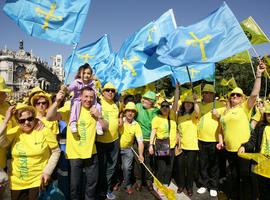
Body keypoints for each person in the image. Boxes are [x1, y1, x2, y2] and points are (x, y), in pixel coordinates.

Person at [47, 86, 108, 200]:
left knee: (91, 184)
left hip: (91, 153)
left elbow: (105, 127)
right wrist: (57, 102)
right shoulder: (72, 109)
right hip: (75, 154)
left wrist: (99, 116)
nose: (88, 100)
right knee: (75, 186)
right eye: (86, 96)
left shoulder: (95, 110)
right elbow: (49, 117)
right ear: (80, 96)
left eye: (91, 97)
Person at [217, 61, 266, 199]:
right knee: (233, 177)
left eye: (238, 95)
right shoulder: (225, 112)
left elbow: (255, 94)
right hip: (229, 150)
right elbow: (221, 129)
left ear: (242, 98)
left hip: (243, 149)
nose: (235, 97)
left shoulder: (245, 108)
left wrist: (258, 75)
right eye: (233, 95)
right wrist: (221, 142)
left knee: (245, 178)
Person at [0, 103, 60, 200]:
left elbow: (56, 151)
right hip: (16, 183)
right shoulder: (15, 131)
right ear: (17, 121)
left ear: (34, 118)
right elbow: (1, 142)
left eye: (30, 119)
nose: (27, 122)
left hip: (38, 181)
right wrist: (6, 119)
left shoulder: (44, 130)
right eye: (22, 120)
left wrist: (47, 172)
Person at [196, 84, 225, 197]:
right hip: (201, 139)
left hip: (215, 140)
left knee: (214, 164)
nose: (206, 94)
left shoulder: (220, 105)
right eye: (204, 93)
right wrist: (194, 101)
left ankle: (213, 186)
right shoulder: (199, 105)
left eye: (209, 92)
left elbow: (225, 122)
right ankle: (204, 184)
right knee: (202, 164)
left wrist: (218, 116)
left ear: (213, 94)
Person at [238, 103, 270, 200]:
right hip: (262, 163)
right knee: (262, 189)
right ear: (265, 115)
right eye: (269, 114)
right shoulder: (260, 127)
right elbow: (253, 141)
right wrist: (244, 146)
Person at [95, 82, 120, 200]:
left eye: (113, 90)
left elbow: (119, 116)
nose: (110, 92)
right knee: (100, 168)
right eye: (108, 90)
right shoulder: (98, 102)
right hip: (100, 141)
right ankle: (100, 190)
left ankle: (107, 189)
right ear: (103, 92)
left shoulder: (116, 104)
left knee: (111, 167)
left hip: (114, 141)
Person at [149, 100, 177, 197]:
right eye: (163, 106)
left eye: (167, 106)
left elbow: (176, 103)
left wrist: (177, 89)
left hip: (172, 146)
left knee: (169, 167)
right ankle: (159, 187)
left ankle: (165, 184)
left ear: (169, 108)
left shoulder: (172, 116)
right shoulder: (156, 118)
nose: (165, 108)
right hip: (162, 145)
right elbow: (153, 132)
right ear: (160, 108)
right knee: (161, 167)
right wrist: (151, 145)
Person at [66, 63, 103, 135]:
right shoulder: (76, 82)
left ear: (91, 75)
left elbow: (96, 92)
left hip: (89, 101)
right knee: (75, 104)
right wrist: (65, 89)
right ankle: (73, 122)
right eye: (84, 73)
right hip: (78, 100)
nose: (86, 75)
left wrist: (97, 89)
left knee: (98, 106)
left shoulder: (92, 83)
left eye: (88, 73)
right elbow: (70, 88)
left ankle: (98, 126)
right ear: (80, 74)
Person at [134, 91, 159, 191]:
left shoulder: (156, 111)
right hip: (138, 140)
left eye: (146, 99)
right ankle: (138, 181)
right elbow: (128, 111)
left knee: (149, 162)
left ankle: (149, 181)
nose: (143, 100)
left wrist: (151, 144)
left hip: (151, 141)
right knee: (138, 161)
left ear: (152, 101)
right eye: (143, 98)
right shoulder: (138, 106)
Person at [175, 95, 199, 197]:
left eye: (190, 103)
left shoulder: (194, 115)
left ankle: (189, 187)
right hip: (181, 146)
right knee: (180, 167)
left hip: (192, 146)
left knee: (190, 168)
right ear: (183, 104)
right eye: (186, 102)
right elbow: (177, 130)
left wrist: (196, 101)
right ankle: (181, 185)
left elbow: (198, 111)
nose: (188, 104)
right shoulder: (179, 117)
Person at [119, 102, 144, 194]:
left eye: (133, 111)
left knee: (126, 167)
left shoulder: (136, 125)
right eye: (128, 111)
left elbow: (140, 141)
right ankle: (117, 182)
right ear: (125, 112)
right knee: (115, 167)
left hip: (128, 149)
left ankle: (128, 185)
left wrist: (141, 155)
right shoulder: (120, 120)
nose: (130, 113)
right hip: (116, 149)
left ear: (135, 113)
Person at [0, 76, 14, 199]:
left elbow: (16, 126)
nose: (3, 96)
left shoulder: (7, 107)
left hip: (3, 161)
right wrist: (6, 120)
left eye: (3, 93)